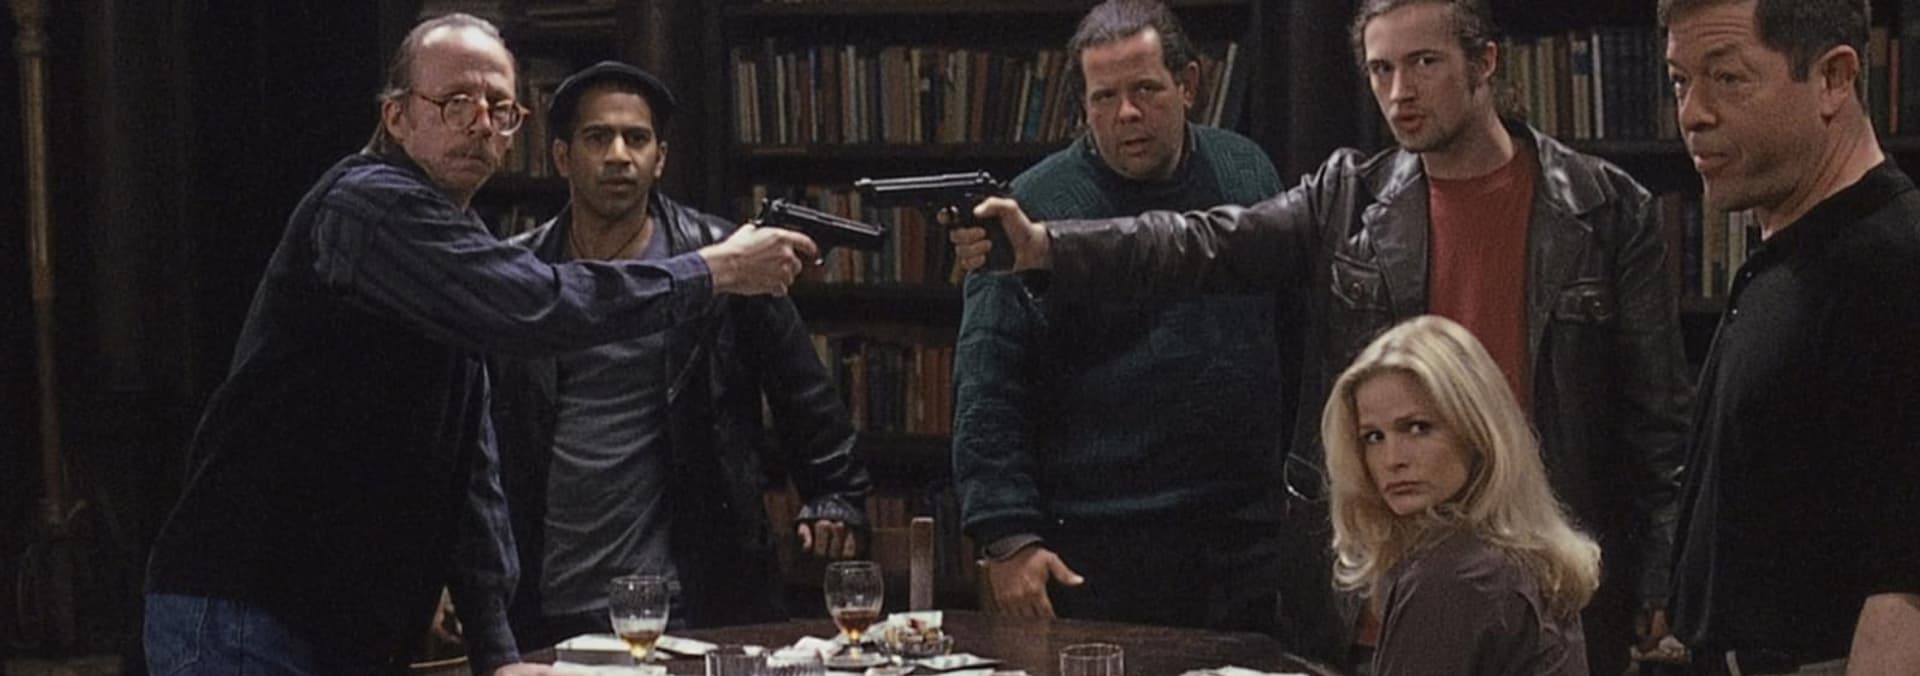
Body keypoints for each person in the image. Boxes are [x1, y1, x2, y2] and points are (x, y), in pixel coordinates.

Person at [952, 0, 1693, 671]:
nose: (1399, 93)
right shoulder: (1351, 196)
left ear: (1484, 63)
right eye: (1380, 69)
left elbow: (1658, 421)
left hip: (1541, 578)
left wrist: (1663, 575)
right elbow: (1200, 242)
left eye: (1424, 63)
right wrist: (1046, 247)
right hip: (1383, 580)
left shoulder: (1603, 209)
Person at [141, 15, 816, 676]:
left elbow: (471, 460)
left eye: (500, 108)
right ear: (397, 116)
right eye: (456, 102)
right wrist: (715, 269)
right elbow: (537, 305)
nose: (482, 123)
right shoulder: (368, 205)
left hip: (333, 616)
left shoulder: (457, 243)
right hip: (247, 605)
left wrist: (498, 655)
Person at [488, 61, 871, 651]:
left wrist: (835, 494)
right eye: (598, 138)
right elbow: (474, 432)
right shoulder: (523, 272)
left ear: (660, 158)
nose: (619, 156)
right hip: (549, 593)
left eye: (636, 138)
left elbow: (805, 392)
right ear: (562, 157)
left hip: (692, 594)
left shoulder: (728, 258)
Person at [952, 0, 1295, 636]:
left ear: (1188, 85)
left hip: (1245, 531)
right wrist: (1008, 536)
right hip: (1097, 537)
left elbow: (1294, 333)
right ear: (1083, 107)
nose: (1127, 114)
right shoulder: (1033, 205)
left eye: (1145, 90)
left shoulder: (1245, 170)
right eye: (1104, 98)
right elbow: (987, 382)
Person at [1662, 0, 1920, 672]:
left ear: (1834, 78)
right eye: (1680, 81)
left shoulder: (1894, 271)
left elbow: (1905, 588)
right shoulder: (1791, 255)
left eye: (1728, 78)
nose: (1692, 113)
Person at [1324, 315, 1599, 675]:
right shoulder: (1515, 554)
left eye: (1417, 428)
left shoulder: (1457, 577)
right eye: (1373, 437)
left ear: (1477, 431)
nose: (1392, 460)